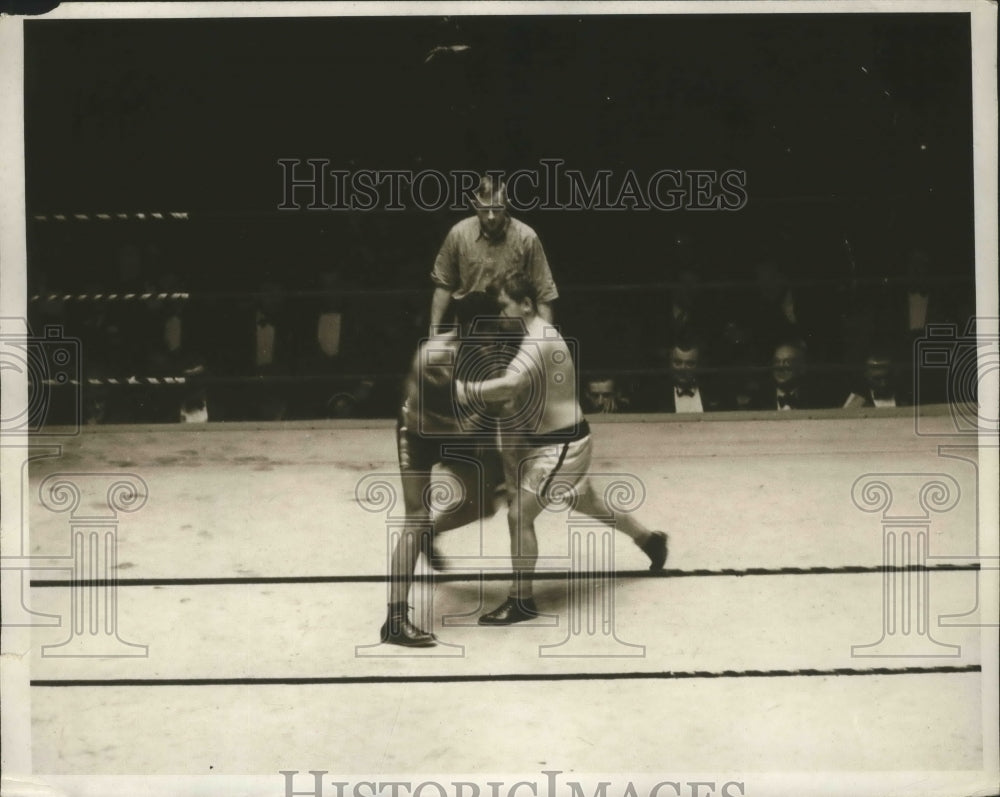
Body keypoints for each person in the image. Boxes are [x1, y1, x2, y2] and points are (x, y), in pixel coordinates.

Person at [455, 272, 668, 626]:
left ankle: (521, 601)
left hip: (561, 447)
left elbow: (509, 386)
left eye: (504, 305)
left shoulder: (538, 340)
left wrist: (462, 392)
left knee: (519, 515)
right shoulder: (530, 337)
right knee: (589, 503)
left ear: (526, 303)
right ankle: (650, 541)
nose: (500, 314)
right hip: (558, 443)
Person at [381, 293, 510, 647]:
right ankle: (394, 620)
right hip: (420, 433)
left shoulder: (487, 354)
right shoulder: (435, 357)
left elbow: (492, 412)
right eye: (490, 328)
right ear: (469, 326)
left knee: (484, 505)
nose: (497, 333)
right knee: (415, 518)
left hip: (457, 431)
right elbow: (470, 416)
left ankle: (431, 534)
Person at [429, 175, 558, 332]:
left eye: (496, 209)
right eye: (485, 209)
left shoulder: (526, 237)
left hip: (510, 327)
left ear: (506, 205)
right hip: (469, 327)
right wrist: (433, 331)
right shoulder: (459, 234)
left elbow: (543, 291)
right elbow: (444, 284)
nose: (491, 216)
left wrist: (545, 339)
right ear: (475, 205)